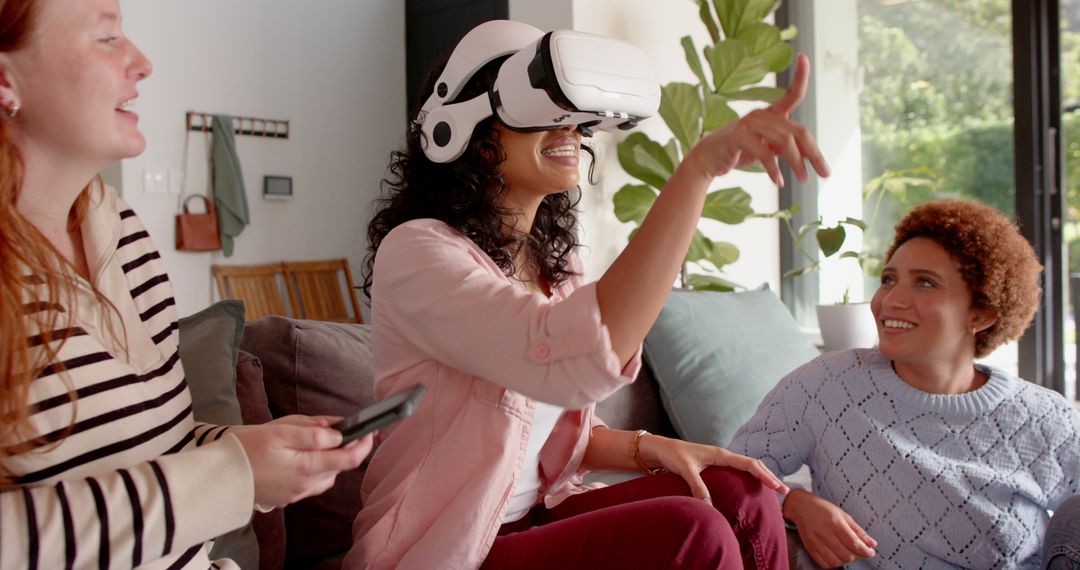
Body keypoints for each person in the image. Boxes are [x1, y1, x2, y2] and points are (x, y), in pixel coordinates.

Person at [343, 19, 830, 570]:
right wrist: (699, 169)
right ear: (470, 135)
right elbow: (562, 358)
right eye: (541, 113)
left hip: (540, 517)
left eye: (573, 116)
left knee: (741, 495)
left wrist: (652, 446)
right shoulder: (418, 252)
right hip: (454, 546)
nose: (569, 128)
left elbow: (551, 434)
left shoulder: (558, 264)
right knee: (692, 531)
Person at [0, 1, 373, 568]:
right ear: (6, 78)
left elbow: (152, 444)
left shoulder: (120, 231)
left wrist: (254, 455)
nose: (143, 62)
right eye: (107, 37)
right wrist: (231, 478)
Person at [729, 198, 1080, 569]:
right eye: (889, 280)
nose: (891, 300)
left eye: (925, 283)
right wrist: (795, 503)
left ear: (981, 314)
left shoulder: (1044, 417)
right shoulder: (826, 386)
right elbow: (729, 474)